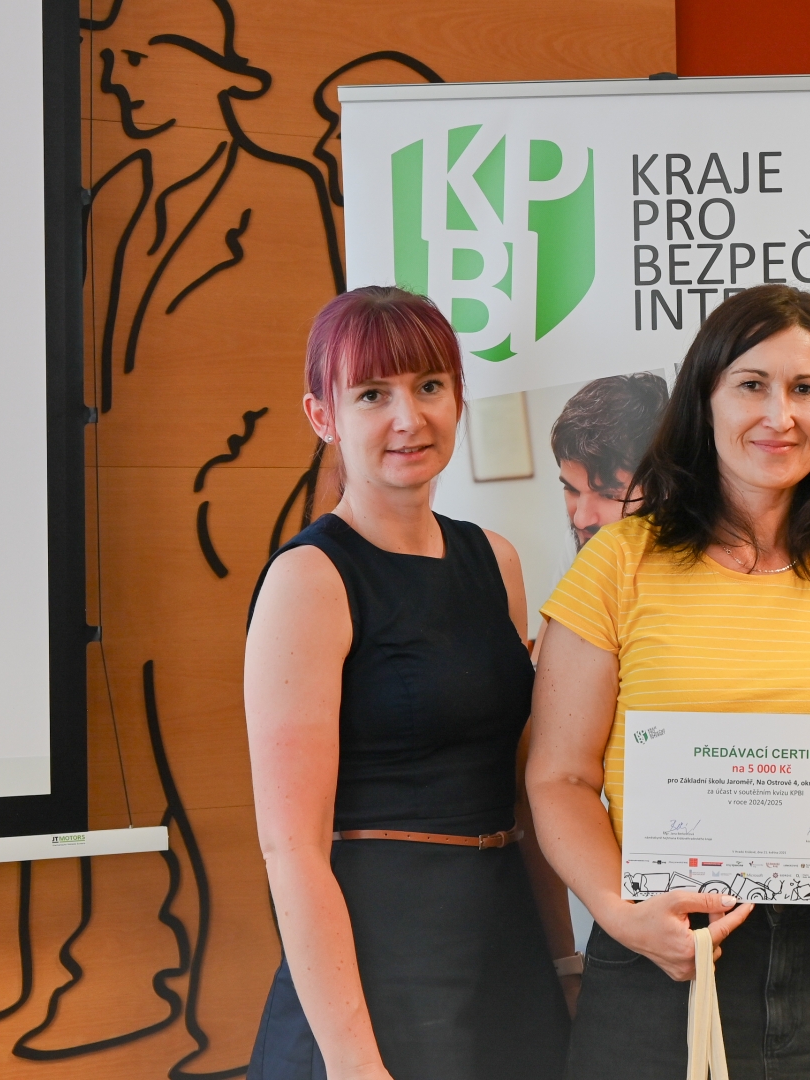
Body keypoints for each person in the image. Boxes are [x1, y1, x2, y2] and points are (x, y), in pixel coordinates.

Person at [526, 284, 810, 1080]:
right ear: (705, 399)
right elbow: (559, 777)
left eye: (806, 388)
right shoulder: (618, 563)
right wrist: (621, 915)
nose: (780, 415)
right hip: (661, 960)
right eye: (752, 384)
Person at [244, 287, 573, 1080]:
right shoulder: (309, 578)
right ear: (322, 415)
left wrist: (564, 963)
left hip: (505, 946)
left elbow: (525, 788)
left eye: (429, 386)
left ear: (458, 397)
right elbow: (291, 849)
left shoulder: (495, 560)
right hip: (378, 962)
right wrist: (353, 1061)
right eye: (371, 394)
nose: (409, 418)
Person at [552, 372, 669, 549]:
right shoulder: (578, 543)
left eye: (608, 495)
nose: (580, 521)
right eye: (572, 489)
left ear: (664, 490)